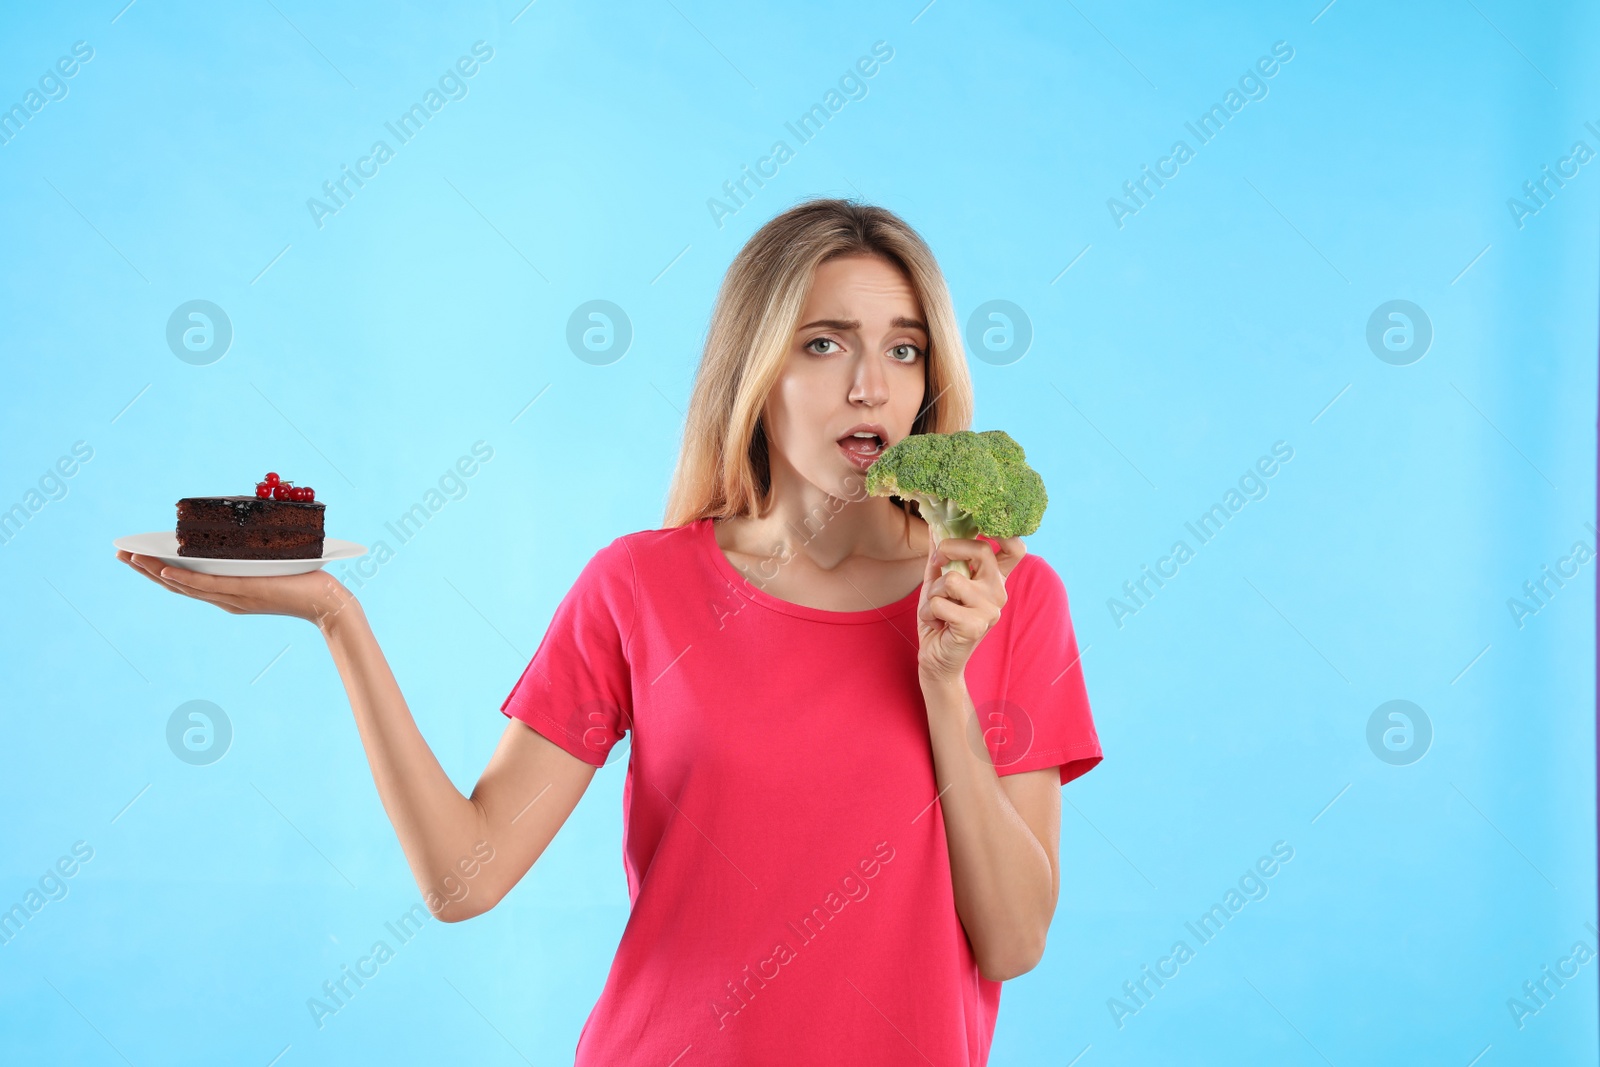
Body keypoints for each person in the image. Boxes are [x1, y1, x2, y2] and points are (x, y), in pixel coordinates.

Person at [117, 198, 1103, 1065]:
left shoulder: (1005, 595)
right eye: (823, 341)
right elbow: (465, 878)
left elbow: (1013, 940)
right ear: (754, 370)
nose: (868, 385)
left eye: (902, 346)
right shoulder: (640, 585)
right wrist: (339, 619)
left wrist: (943, 684)